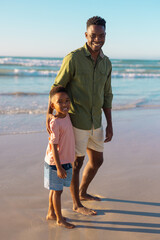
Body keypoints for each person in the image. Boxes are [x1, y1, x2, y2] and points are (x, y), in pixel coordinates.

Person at [46, 16, 113, 216]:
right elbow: (57, 87)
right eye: (93, 35)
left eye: (101, 35)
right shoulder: (73, 58)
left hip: (96, 121)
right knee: (77, 163)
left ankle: (82, 192)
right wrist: (50, 117)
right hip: (77, 120)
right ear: (86, 35)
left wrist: (110, 123)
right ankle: (76, 204)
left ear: (105, 36)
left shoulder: (106, 63)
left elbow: (107, 94)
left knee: (98, 160)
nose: (97, 39)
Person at [44, 86, 75, 229]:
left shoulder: (66, 115)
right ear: (53, 105)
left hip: (63, 161)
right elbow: (54, 147)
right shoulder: (55, 122)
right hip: (56, 163)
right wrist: (58, 167)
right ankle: (59, 219)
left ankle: (51, 213)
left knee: (54, 189)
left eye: (67, 101)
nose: (64, 105)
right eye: (60, 102)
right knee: (58, 191)